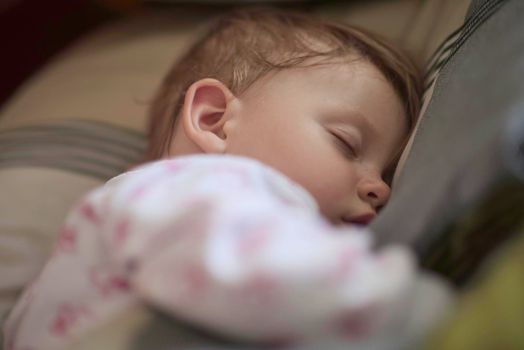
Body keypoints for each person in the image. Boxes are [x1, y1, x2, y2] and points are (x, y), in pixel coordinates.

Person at [3, 8, 450, 350]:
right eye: (346, 143)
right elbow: (273, 274)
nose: (382, 188)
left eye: (387, 171)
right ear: (216, 120)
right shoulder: (196, 187)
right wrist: (425, 309)